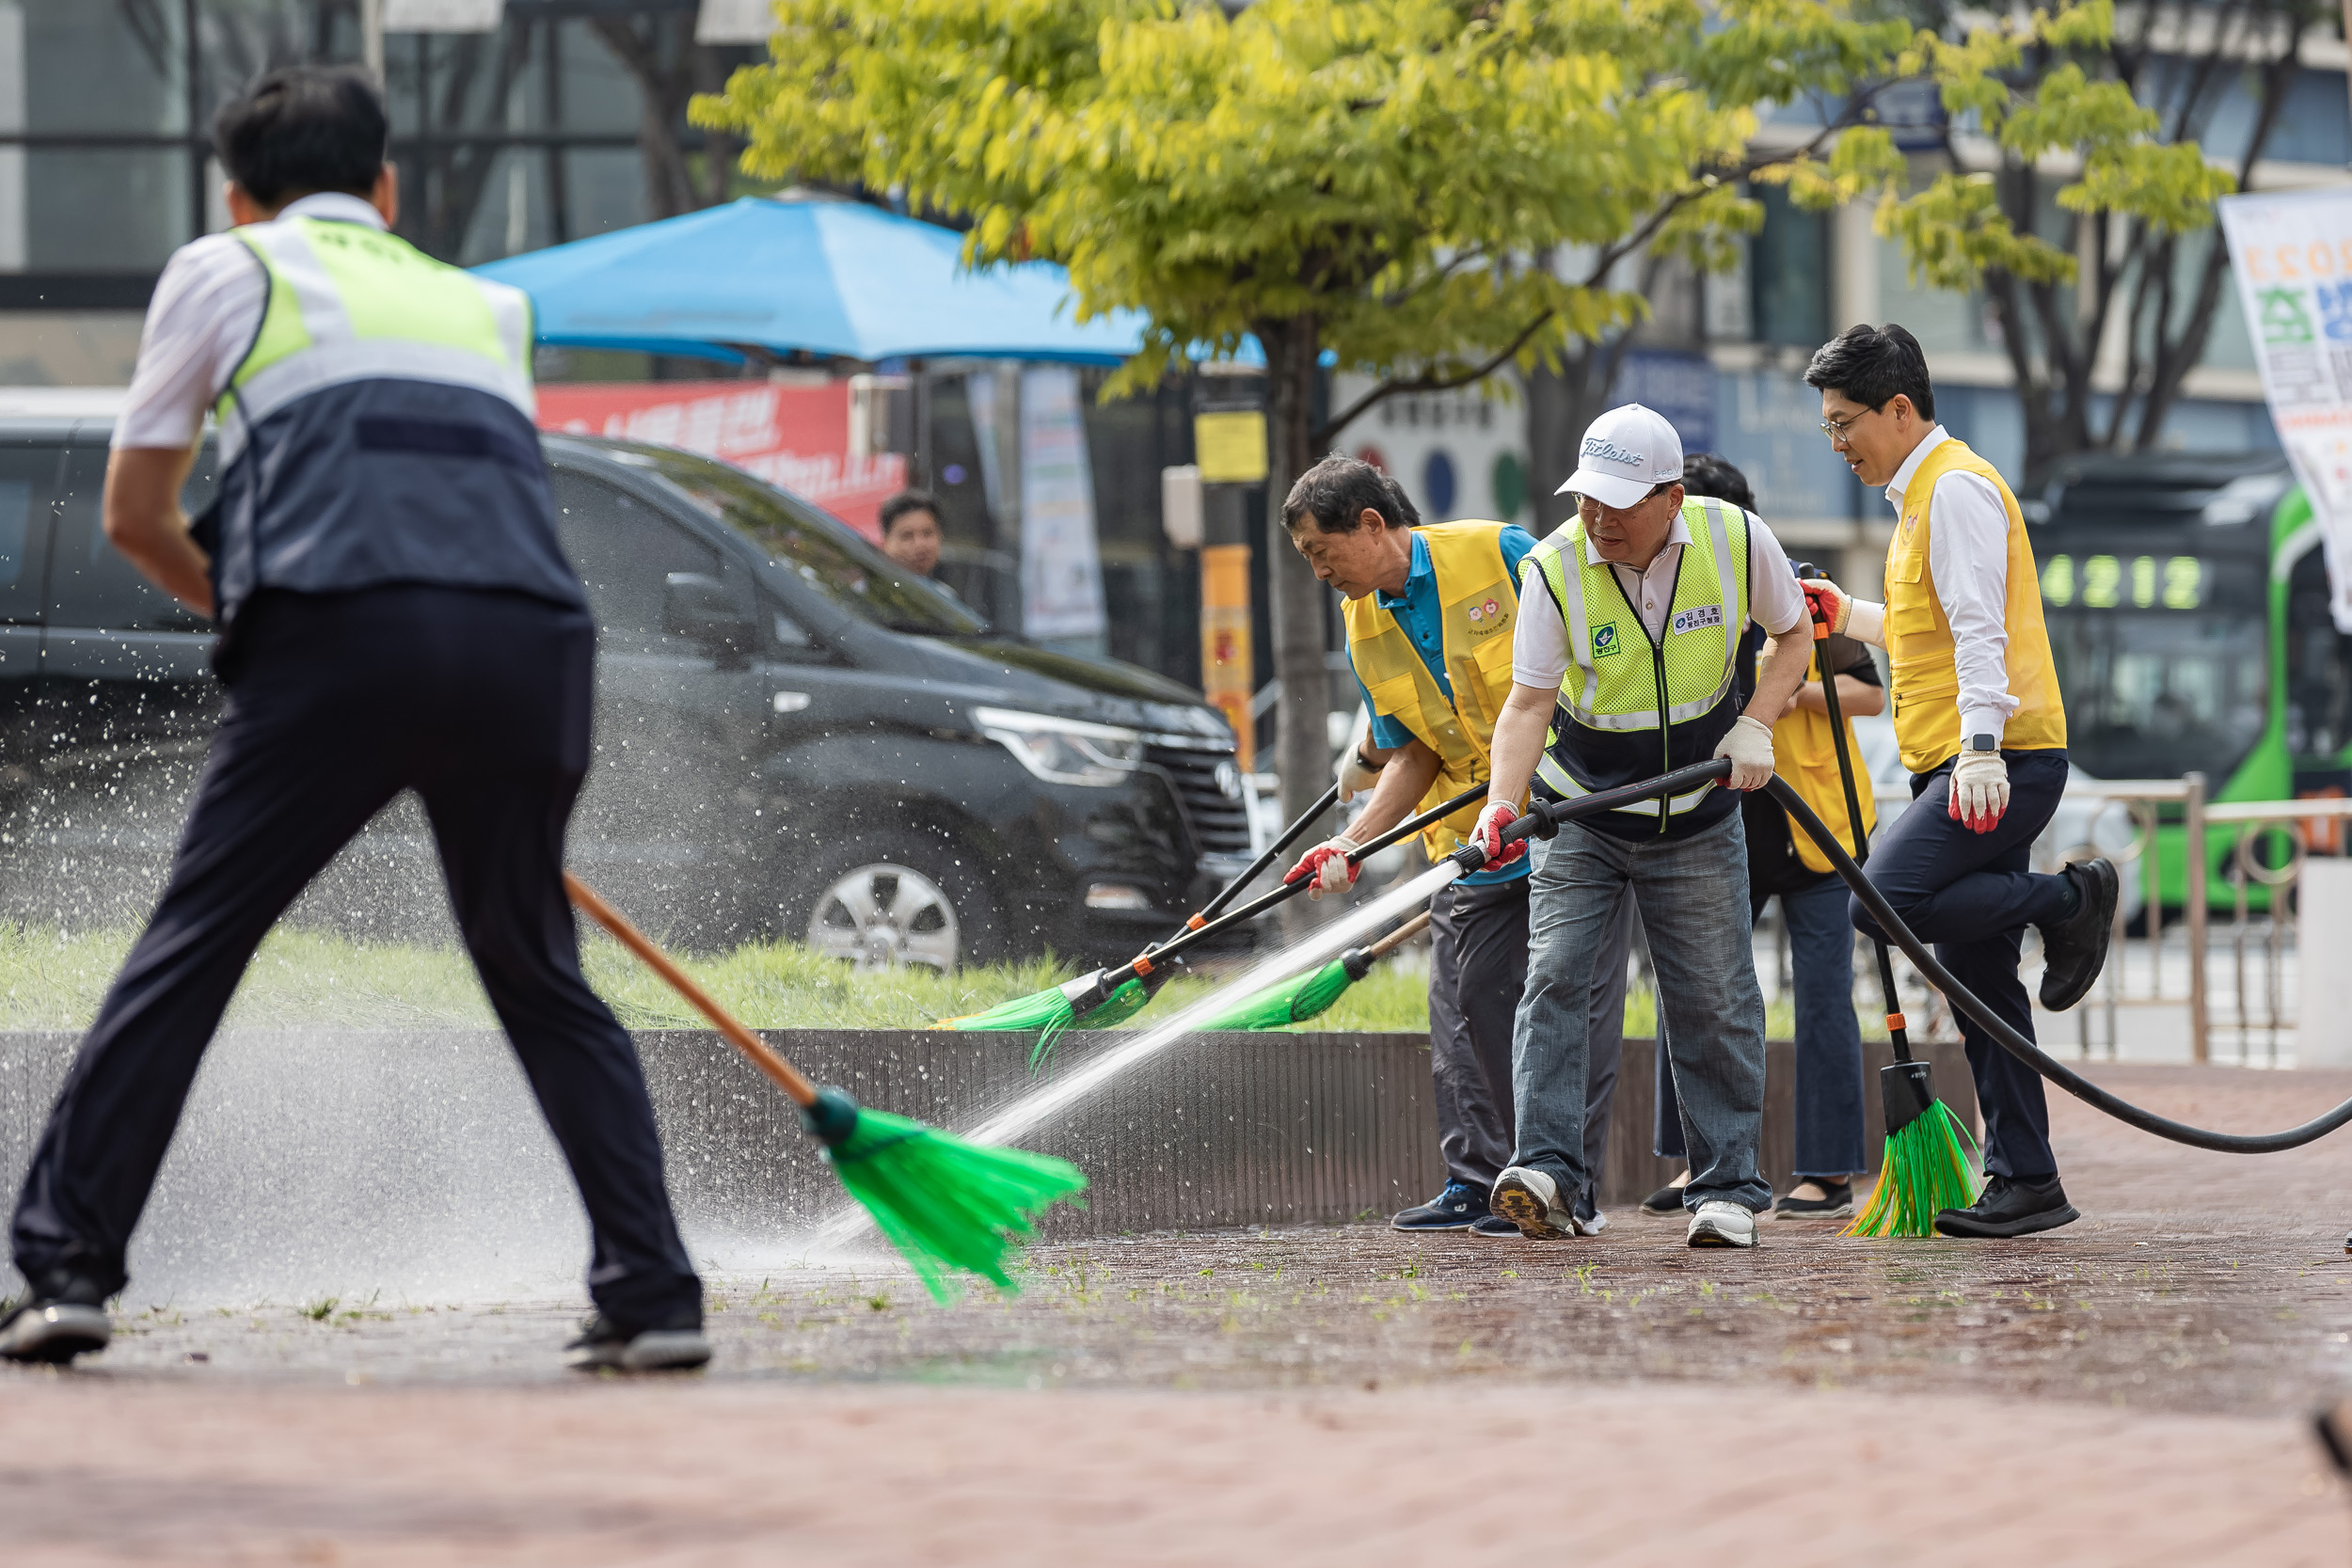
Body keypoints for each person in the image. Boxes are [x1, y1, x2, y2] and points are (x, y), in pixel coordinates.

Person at [0, 67, 707, 1369]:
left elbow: (133, 516)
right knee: (539, 968)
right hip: (533, 645)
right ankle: (657, 1290)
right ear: (388, 188)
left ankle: (65, 1268)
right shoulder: (488, 303)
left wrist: (251, 609)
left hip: (342, 633)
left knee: (195, 944)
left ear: (237, 195)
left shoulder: (226, 268)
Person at [1799, 323, 2119, 1239]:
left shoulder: (1955, 490)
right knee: (1979, 984)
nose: (1836, 443)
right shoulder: (1916, 500)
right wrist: (1847, 614)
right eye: (1827, 425)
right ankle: (2027, 1177)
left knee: (1878, 901)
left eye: (1844, 422)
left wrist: (1980, 746)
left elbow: (1979, 629)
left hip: (2000, 759)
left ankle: (2068, 897)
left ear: (1900, 410)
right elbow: (1923, 630)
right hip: (1966, 759)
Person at [1476, 404, 1816, 1250]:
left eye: (1619, 502)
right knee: (1554, 978)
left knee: (1715, 996)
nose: (1598, 519)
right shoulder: (1555, 567)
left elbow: (1795, 634)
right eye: (1588, 498)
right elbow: (1528, 702)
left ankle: (1728, 1185)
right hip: (1581, 810)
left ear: (1672, 496)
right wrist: (1501, 803)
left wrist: (1757, 723)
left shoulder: (1737, 541)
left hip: (1698, 816)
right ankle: (1551, 1175)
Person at [1281, 456, 1620, 1238]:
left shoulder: (1502, 552)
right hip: (1468, 838)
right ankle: (1482, 1177)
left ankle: (1567, 1184)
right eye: (1307, 558)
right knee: (1466, 1000)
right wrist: (1353, 842)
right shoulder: (1362, 621)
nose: (1319, 569)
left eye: (1319, 550)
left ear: (1371, 523)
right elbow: (1412, 750)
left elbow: (1587, 668)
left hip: (1571, 817)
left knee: (1571, 997)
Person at [1638, 453, 1882, 1222]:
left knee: (1823, 998)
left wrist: (1777, 693)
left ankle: (1827, 1171)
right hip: (1718, 826)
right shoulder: (1662, 595)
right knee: (1693, 993)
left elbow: (1869, 694)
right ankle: (1691, 1164)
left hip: (1818, 827)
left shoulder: (1798, 584)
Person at [879, 489, 946, 578]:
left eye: (927, 533)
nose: (920, 544)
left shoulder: (943, 590)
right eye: (907, 536)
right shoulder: (866, 588)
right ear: (885, 542)